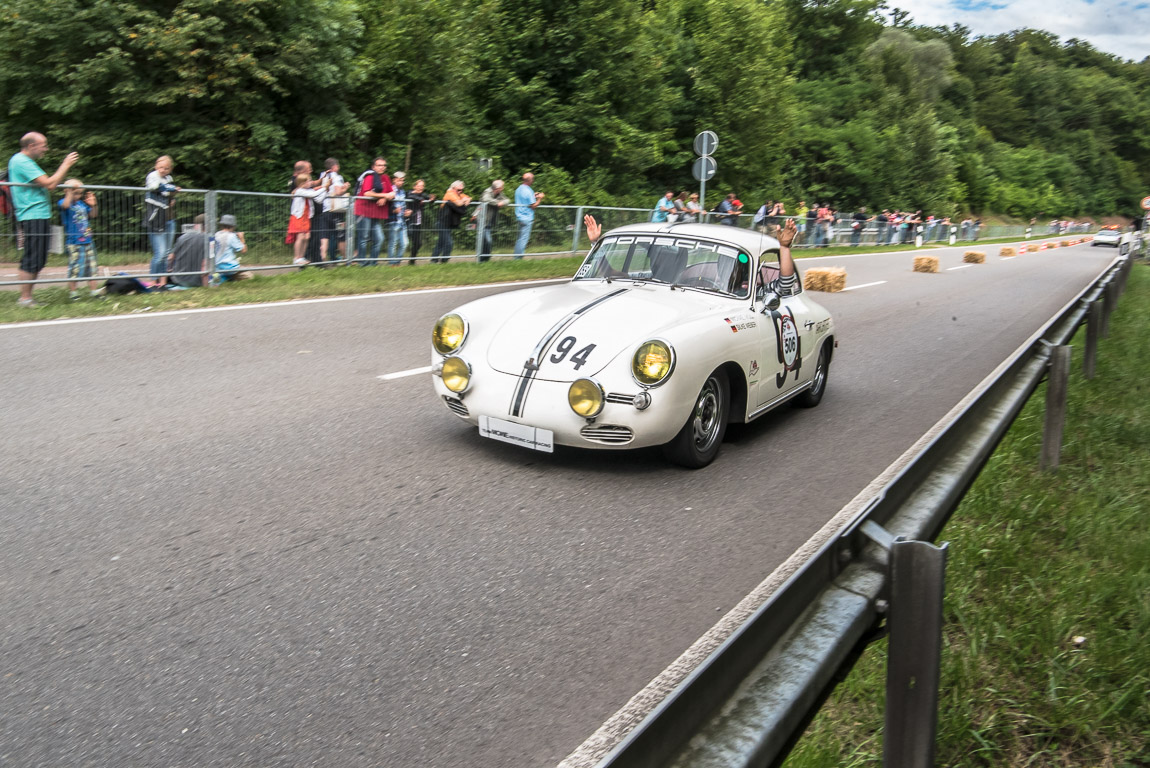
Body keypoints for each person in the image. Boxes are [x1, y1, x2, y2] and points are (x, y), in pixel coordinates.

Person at [7, 132, 78, 307]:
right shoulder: (21, 161)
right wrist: (66, 164)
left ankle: (28, 297)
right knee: (33, 257)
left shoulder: (24, 161)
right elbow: (50, 184)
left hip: (38, 214)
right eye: (43, 145)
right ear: (31, 146)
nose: (46, 148)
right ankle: (24, 298)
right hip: (32, 214)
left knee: (38, 258)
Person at [58, 179, 101, 299]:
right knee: (75, 268)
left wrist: (93, 205)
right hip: (74, 242)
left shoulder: (81, 204)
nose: (78, 195)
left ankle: (94, 291)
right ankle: (73, 293)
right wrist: (70, 191)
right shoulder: (63, 202)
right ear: (66, 191)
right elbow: (65, 205)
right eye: (75, 193)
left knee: (92, 267)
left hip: (88, 240)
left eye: (79, 193)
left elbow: (93, 215)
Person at [145, 155, 179, 289]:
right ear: (156, 167)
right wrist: (171, 189)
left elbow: (169, 194)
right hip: (156, 218)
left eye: (166, 168)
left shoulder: (169, 178)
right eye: (160, 167)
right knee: (159, 253)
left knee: (166, 253)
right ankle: (153, 282)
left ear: (170, 169)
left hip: (169, 218)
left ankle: (163, 283)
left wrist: (173, 196)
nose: (163, 170)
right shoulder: (152, 176)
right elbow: (155, 187)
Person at [353, 157, 393, 265]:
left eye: (384, 165)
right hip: (364, 211)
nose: (382, 167)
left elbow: (392, 193)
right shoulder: (369, 177)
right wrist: (384, 195)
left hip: (375, 213)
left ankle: (373, 262)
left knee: (379, 239)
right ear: (373, 167)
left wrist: (384, 198)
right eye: (379, 165)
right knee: (363, 238)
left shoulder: (385, 178)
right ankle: (362, 262)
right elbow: (367, 193)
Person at [289, 172, 327, 266]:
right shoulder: (299, 191)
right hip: (299, 217)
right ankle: (297, 258)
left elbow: (319, 199)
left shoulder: (308, 191)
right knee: (300, 237)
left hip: (306, 218)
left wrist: (325, 189)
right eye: (309, 181)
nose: (311, 182)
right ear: (302, 183)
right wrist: (324, 187)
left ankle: (301, 257)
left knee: (307, 237)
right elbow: (314, 195)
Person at [317, 158, 349, 263]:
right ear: (334, 167)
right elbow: (338, 191)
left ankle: (323, 258)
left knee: (324, 236)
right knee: (341, 236)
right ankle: (345, 259)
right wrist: (346, 187)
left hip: (325, 210)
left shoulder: (323, 176)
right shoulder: (337, 177)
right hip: (336, 212)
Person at [431, 181, 471, 263]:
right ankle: (444, 261)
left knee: (441, 242)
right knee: (449, 243)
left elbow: (469, 198)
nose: (460, 192)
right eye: (458, 190)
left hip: (448, 223)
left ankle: (434, 260)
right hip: (442, 223)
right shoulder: (450, 193)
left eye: (462, 190)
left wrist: (466, 200)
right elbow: (459, 203)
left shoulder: (458, 194)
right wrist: (464, 201)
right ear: (453, 189)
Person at [169, 213, 209, 288]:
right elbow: (205, 265)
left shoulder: (182, 237)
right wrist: (206, 287)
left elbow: (171, 258)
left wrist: (169, 271)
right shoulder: (209, 241)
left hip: (177, 279)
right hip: (196, 282)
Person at [475, 179, 509, 262]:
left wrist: (503, 202)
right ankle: (482, 259)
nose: (503, 189)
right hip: (482, 219)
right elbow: (486, 199)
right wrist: (497, 202)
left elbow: (507, 200)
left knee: (486, 241)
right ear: (497, 188)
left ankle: (485, 259)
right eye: (502, 187)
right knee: (486, 240)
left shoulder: (499, 193)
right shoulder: (487, 191)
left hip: (489, 220)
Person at [513, 172, 543, 257]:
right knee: (523, 239)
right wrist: (540, 199)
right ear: (529, 180)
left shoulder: (519, 189)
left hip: (519, 217)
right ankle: (518, 258)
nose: (533, 181)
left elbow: (525, 199)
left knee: (519, 239)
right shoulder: (528, 190)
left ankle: (516, 257)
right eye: (532, 179)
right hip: (527, 218)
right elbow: (533, 206)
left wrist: (533, 195)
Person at [406, 179, 435, 264]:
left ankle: (412, 260)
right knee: (414, 242)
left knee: (418, 243)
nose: (421, 187)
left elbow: (430, 198)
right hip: (410, 221)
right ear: (414, 186)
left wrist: (432, 198)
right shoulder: (410, 193)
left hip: (418, 222)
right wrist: (420, 199)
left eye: (422, 186)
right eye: (419, 185)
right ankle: (410, 260)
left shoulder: (422, 195)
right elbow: (411, 197)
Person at [213, 214, 247, 283]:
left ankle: (222, 277)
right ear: (233, 226)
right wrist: (241, 238)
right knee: (249, 276)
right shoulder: (231, 236)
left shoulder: (216, 234)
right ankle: (229, 277)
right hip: (229, 266)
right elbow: (243, 250)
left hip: (217, 266)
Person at [387, 172, 409, 266]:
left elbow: (404, 205)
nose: (401, 182)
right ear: (394, 180)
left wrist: (407, 211)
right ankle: (392, 263)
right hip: (393, 220)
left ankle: (397, 262)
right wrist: (393, 210)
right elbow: (386, 205)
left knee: (405, 243)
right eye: (399, 180)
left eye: (402, 180)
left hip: (402, 221)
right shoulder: (390, 190)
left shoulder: (403, 192)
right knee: (393, 243)